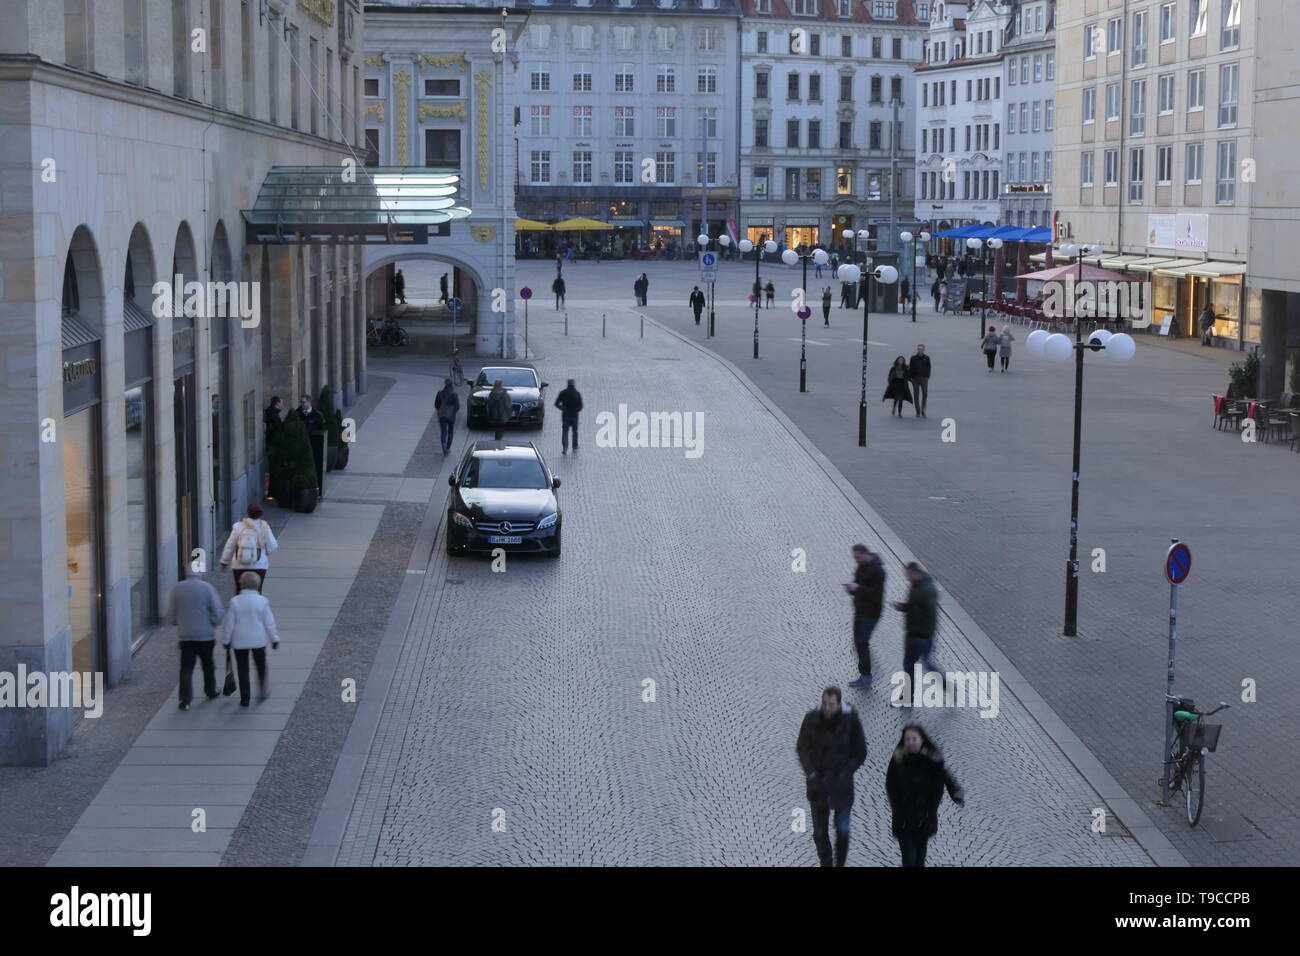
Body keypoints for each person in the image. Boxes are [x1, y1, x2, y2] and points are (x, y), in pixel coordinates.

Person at [796, 687, 867, 867]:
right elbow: (802, 747)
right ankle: (826, 862)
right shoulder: (811, 718)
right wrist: (810, 772)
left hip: (842, 785)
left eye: (831, 704)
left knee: (842, 831)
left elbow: (860, 751)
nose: (827, 708)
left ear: (839, 703)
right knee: (819, 833)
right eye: (825, 704)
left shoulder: (850, 720)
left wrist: (847, 770)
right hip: (818, 785)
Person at [886, 724, 964, 867]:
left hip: (924, 817)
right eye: (907, 739)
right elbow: (891, 786)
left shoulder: (932, 760)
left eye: (914, 739)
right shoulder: (898, 759)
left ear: (921, 740)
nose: (910, 742)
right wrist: (897, 809)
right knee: (908, 859)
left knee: (920, 858)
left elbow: (945, 777)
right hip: (904, 818)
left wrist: (955, 793)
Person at [162, 570, 223, 710]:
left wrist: (174, 622)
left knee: (186, 668)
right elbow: (217, 611)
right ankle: (211, 690)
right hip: (205, 635)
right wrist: (214, 623)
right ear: (200, 574)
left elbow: (168, 611)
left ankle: (185, 700)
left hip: (185, 635)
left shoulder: (177, 588)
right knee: (208, 665)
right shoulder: (207, 588)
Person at [221, 572, 280, 708]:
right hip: (258, 640)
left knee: (243, 669)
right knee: (261, 665)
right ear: (257, 585)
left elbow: (229, 623)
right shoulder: (262, 601)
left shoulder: (235, 601)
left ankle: (245, 698)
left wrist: (226, 640)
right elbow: (269, 622)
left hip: (239, 641)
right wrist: (274, 638)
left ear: (241, 584)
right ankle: (263, 690)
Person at [891, 562, 943, 706]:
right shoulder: (916, 585)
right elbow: (915, 606)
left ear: (915, 573)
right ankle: (908, 696)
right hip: (913, 633)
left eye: (908, 575)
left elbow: (928, 613)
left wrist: (909, 610)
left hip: (922, 636)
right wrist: (903, 607)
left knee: (925, 664)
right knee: (909, 665)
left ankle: (946, 685)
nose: (906, 577)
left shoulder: (928, 590)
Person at [843, 545, 884, 688]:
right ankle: (865, 675)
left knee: (862, 643)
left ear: (866, 554)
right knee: (859, 643)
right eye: (855, 558)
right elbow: (858, 585)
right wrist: (852, 588)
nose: (856, 560)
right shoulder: (861, 566)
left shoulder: (878, 571)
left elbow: (875, 595)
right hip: (860, 611)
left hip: (870, 614)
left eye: (858, 557)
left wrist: (858, 588)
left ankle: (866, 676)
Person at [218, 502, 278, 592]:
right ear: (261, 514)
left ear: (248, 512)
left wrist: (224, 562)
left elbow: (229, 546)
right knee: (257, 591)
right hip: (259, 565)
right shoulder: (265, 527)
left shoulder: (238, 526)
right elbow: (273, 546)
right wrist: (264, 553)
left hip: (239, 565)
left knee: (239, 591)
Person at [555, 379, 584, 455]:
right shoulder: (577, 394)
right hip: (574, 416)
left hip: (566, 415)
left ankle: (565, 448)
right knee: (575, 432)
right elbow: (581, 406)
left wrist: (562, 408)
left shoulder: (563, 393)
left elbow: (556, 403)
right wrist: (576, 410)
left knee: (565, 431)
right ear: (574, 384)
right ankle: (574, 447)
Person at [435, 376, 460, 454]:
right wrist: (453, 412)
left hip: (442, 415)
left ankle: (443, 446)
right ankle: (448, 447)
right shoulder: (454, 394)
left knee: (443, 432)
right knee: (450, 431)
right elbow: (457, 406)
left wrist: (440, 410)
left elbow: (436, 405)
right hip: (451, 415)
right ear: (452, 384)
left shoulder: (440, 393)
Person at [908, 345, 931, 418]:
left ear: (924, 350)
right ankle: (918, 411)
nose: (920, 350)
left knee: (925, 393)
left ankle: (923, 410)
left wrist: (927, 376)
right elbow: (910, 368)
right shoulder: (913, 358)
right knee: (916, 395)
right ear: (917, 350)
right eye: (919, 349)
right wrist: (911, 377)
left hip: (924, 379)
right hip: (915, 379)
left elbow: (929, 367)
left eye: (921, 349)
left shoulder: (926, 358)